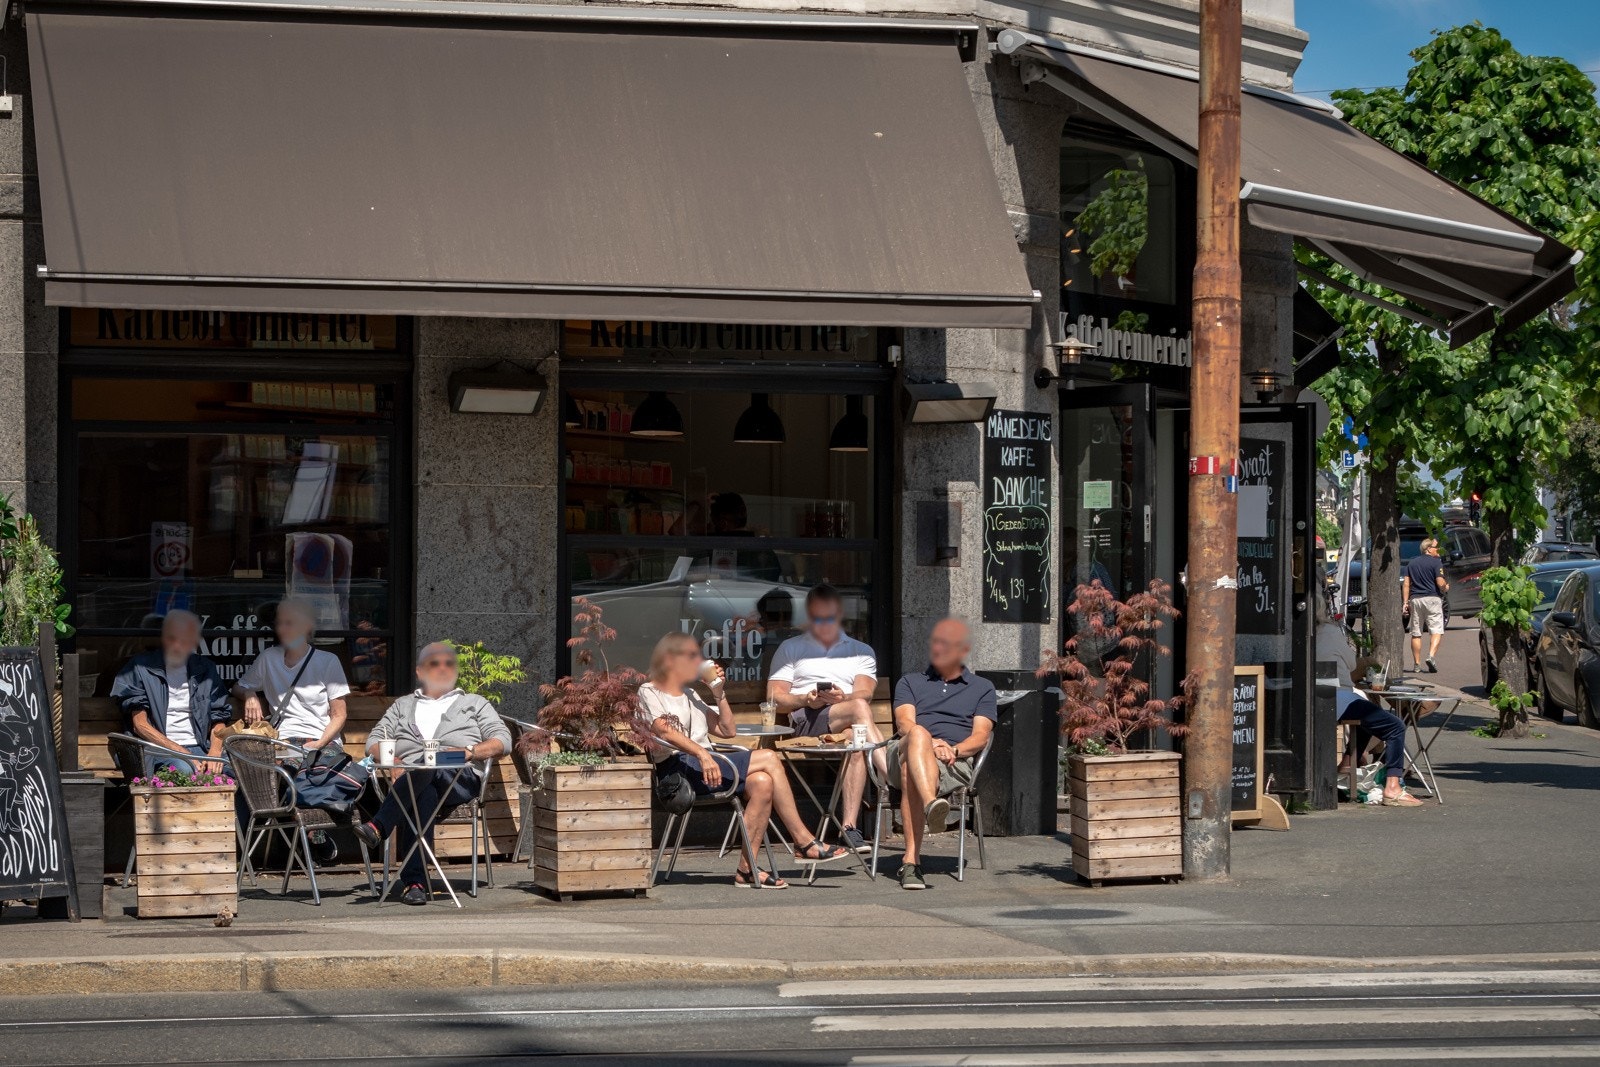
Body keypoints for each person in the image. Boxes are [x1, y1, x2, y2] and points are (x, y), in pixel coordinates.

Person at [642, 632, 847, 889]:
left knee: (761, 782)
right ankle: (803, 841)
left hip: (704, 765)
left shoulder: (690, 695)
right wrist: (703, 754)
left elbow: (727, 730)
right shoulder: (649, 690)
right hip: (678, 772)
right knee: (770, 757)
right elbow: (662, 729)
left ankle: (746, 869)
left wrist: (718, 693)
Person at [353, 642, 511, 905]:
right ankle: (415, 884)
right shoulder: (403, 706)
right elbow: (374, 741)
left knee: (433, 768)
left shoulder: (473, 703)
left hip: (458, 778)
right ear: (419, 671)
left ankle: (379, 825)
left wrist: (470, 751)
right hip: (415, 780)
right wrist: (396, 762)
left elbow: (502, 740)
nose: (442, 668)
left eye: (449, 663)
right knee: (423, 792)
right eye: (434, 663)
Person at [767, 585, 883, 854]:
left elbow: (865, 692)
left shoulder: (860, 650)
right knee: (858, 711)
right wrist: (805, 699)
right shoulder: (791, 647)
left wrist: (843, 696)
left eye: (828, 618)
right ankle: (889, 774)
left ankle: (850, 827)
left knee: (857, 737)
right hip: (805, 722)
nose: (823, 624)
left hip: (846, 720)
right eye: (817, 618)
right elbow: (774, 697)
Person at [234, 599, 351, 862]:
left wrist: (319, 742)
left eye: (289, 623)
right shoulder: (269, 658)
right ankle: (312, 832)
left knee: (311, 768)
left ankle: (313, 832)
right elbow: (239, 686)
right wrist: (251, 694)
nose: (282, 629)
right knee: (272, 768)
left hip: (322, 738)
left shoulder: (327, 661)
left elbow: (339, 714)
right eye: (280, 624)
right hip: (284, 739)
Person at [887, 619, 997, 890]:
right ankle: (930, 804)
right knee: (918, 735)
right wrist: (931, 742)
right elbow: (904, 724)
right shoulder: (910, 682)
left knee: (909, 773)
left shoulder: (982, 687)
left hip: (952, 760)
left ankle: (911, 863)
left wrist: (954, 750)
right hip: (904, 749)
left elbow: (981, 736)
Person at [1315, 598, 1420, 807]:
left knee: (1365, 720)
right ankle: (1392, 787)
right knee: (1395, 726)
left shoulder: (1295, 631)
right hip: (1336, 694)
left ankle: (1346, 765)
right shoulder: (1330, 631)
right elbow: (1353, 663)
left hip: (1312, 695)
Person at [110, 610, 233, 775]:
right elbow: (140, 726)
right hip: (155, 749)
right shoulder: (140, 668)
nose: (177, 645)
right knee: (185, 769)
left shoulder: (204, 668)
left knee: (236, 772)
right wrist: (182, 753)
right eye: (172, 638)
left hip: (201, 746)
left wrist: (215, 753)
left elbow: (218, 716)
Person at [1403, 537, 1450, 673]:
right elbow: (1440, 582)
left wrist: (1405, 602)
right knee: (1436, 629)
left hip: (1415, 599)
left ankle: (1416, 664)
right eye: (1436, 548)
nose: (1438, 551)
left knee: (1416, 632)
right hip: (1432, 598)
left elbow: (1406, 584)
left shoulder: (1411, 564)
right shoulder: (1436, 563)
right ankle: (1431, 656)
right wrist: (1445, 587)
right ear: (1428, 549)